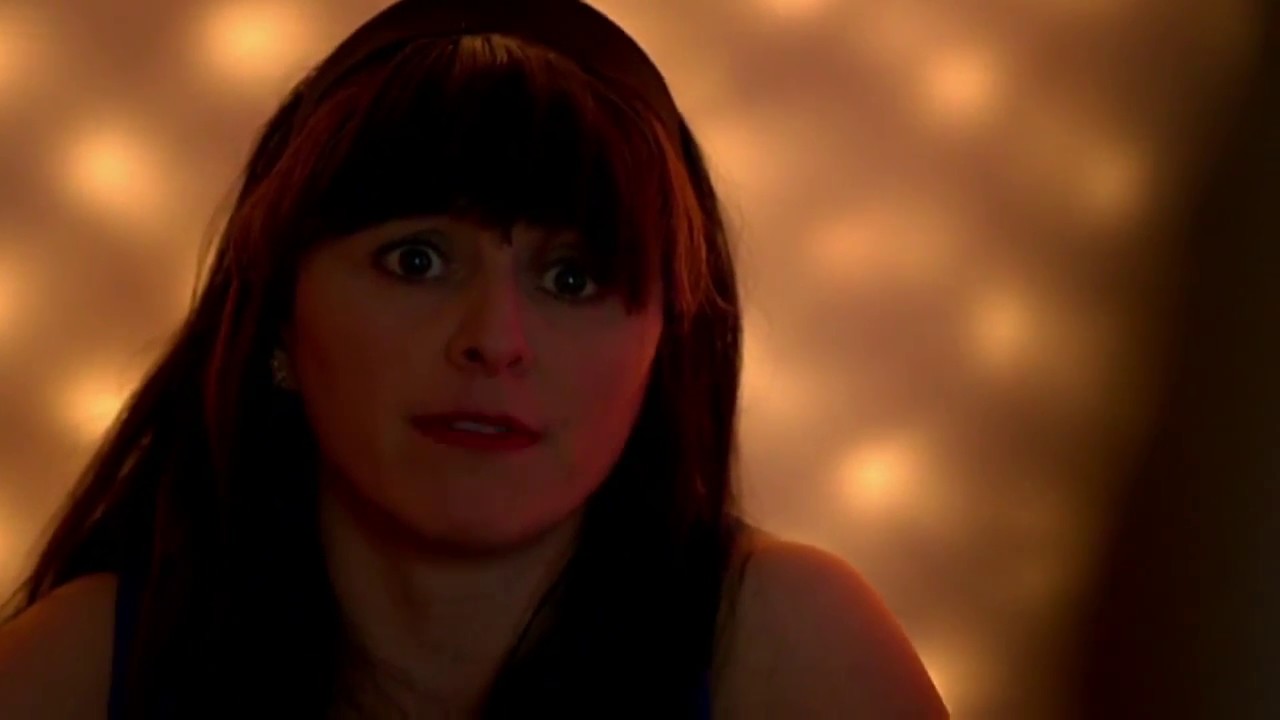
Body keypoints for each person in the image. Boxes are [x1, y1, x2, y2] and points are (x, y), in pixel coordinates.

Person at [0, 1, 946, 717]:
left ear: (665, 345)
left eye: (573, 278)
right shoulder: (79, 670)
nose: (495, 339)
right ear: (280, 318)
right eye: (416, 260)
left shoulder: (791, 646)